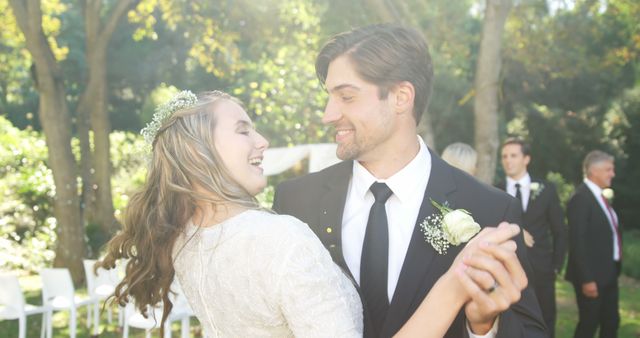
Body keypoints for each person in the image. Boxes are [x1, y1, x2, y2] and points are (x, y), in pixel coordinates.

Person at [98, 90, 527, 338]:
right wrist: (454, 284)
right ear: (196, 151)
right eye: (243, 129)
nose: (262, 140)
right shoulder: (281, 239)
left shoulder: (186, 240)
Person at [272, 24, 546, 338]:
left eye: (346, 96)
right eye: (329, 97)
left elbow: (531, 330)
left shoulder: (490, 210)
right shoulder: (295, 201)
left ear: (401, 97)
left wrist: (483, 326)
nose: (327, 114)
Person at [497, 137, 567, 337]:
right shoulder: (495, 189)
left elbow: (560, 231)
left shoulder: (546, 189)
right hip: (505, 271)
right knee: (508, 322)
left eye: (513, 156)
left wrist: (555, 266)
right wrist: (516, 229)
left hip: (542, 270)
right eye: (504, 157)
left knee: (546, 319)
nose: (508, 161)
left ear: (526, 159)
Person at [565, 150, 621, 338]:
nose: (612, 174)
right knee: (589, 325)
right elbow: (577, 241)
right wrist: (587, 279)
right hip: (592, 277)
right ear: (593, 171)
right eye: (608, 169)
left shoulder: (600, 197)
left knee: (611, 322)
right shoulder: (581, 198)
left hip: (608, 273)